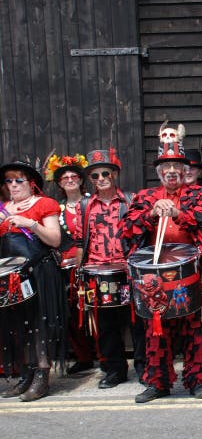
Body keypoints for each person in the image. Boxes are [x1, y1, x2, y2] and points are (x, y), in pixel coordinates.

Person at [119, 121, 202, 403]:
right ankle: (158, 383)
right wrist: (151, 214)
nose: (172, 171)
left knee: (197, 329)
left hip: (193, 273)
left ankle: (199, 381)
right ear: (159, 172)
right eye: (166, 167)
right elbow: (126, 231)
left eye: (177, 165)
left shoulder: (201, 195)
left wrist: (179, 214)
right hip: (155, 275)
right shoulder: (145, 197)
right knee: (156, 331)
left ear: (185, 169)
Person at [0, 160, 65, 401]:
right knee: (18, 325)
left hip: (39, 272)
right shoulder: (3, 208)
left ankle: (42, 375)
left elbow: (55, 240)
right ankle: (26, 373)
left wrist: (31, 224)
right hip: (12, 277)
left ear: (32, 183)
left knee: (39, 324)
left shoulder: (44, 204)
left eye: (19, 180)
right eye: (9, 180)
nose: (13, 185)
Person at [78, 149, 142, 388]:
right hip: (97, 272)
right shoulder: (85, 205)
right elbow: (80, 241)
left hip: (126, 270)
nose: (101, 178)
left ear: (114, 174)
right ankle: (115, 370)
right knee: (106, 325)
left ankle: (143, 366)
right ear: (90, 179)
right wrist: (81, 271)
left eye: (105, 173)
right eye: (95, 175)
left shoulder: (130, 200)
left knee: (136, 321)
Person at [45, 153, 95, 375]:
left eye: (74, 176)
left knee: (98, 311)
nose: (70, 180)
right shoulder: (56, 208)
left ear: (81, 179)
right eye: (65, 178)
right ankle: (84, 357)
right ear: (59, 183)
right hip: (67, 268)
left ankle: (106, 355)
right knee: (72, 313)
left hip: (93, 262)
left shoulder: (92, 202)